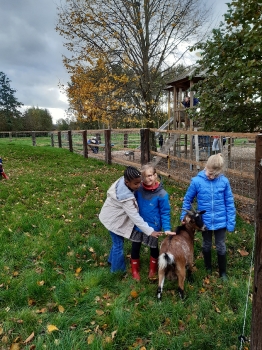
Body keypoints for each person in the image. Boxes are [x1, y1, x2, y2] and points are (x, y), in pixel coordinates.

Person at [180, 153, 236, 280]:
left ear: (219, 172)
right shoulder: (196, 182)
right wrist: (184, 217)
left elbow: (229, 203)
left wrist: (230, 222)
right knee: (206, 244)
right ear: (206, 166)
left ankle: (223, 272)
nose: (209, 176)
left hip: (221, 221)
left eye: (213, 175)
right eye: (208, 172)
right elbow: (187, 200)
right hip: (204, 221)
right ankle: (208, 267)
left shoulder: (224, 182)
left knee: (221, 245)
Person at [99, 166, 162, 274]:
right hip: (112, 221)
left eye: (140, 182)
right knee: (118, 244)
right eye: (136, 184)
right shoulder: (126, 198)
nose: (139, 186)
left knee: (116, 242)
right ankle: (117, 271)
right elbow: (136, 218)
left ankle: (111, 260)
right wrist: (150, 231)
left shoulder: (124, 180)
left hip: (109, 216)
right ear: (127, 182)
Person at [130, 164, 175, 281]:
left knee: (153, 248)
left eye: (150, 175)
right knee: (135, 246)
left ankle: (152, 269)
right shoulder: (138, 190)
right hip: (139, 225)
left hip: (153, 227)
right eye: (145, 177)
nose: (148, 179)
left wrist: (167, 228)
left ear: (155, 175)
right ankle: (134, 270)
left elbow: (165, 212)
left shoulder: (162, 194)